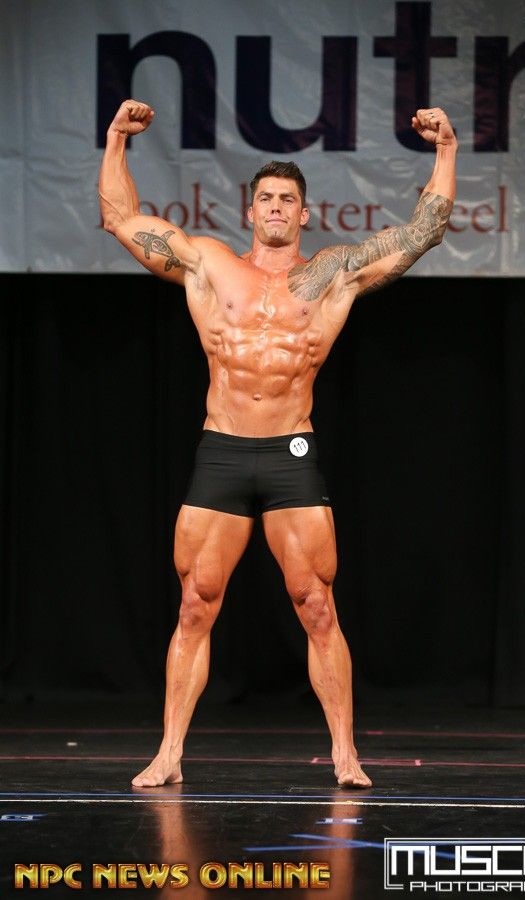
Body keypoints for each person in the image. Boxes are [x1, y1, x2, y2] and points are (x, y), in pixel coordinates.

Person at [99, 100, 457, 788]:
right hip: (223, 451)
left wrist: (446, 149)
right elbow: (120, 217)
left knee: (317, 604)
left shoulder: (333, 274)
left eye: (286, 199)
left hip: (291, 452)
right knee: (196, 603)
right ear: (250, 210)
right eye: (265, 197)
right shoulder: (209, 266)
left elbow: (423, 233)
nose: (275, 207)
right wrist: (116, 138)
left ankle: (346, 754)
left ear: (303, 213)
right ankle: (169, 752)